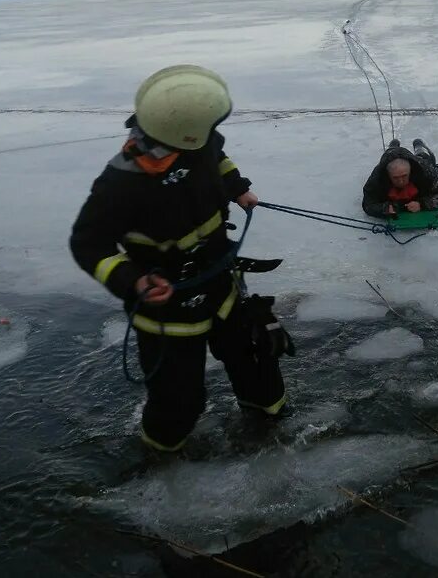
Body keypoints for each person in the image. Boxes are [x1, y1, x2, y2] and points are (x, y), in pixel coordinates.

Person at [70, 65, 293, 453]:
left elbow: (218, 158)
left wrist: (237, 188)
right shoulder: (120, 184)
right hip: (168, 304)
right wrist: (132, 281)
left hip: (221, 282)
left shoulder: (198, 140)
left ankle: (270, 424)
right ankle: (159, 460)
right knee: (179, 398)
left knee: (257, 360)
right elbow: (88, 244)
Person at [362, 138, 438, 218]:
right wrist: (385, 208)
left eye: (404, 176)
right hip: (389, 155)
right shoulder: (378, 175)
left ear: (410, 171)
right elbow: (368, 204)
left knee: (424, 156)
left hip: (419, 160)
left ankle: (418, 144)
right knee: (390, 151)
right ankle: (393, 145)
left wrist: (421, 204)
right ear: (388, 174)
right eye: (395, 178)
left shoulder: (424, 169)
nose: (401, 181)